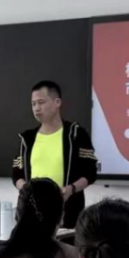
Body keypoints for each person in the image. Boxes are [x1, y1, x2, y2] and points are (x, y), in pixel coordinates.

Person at [12, 80, 98, 228]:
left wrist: (71, 189)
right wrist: (27, 190)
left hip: (67, 215)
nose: (36, 108)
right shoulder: (27, 138)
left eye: (41, 102)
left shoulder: (75, 134)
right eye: (33, 104)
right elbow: (16, 174)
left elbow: (90, 172)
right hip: (31, 215)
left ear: (57, 102)